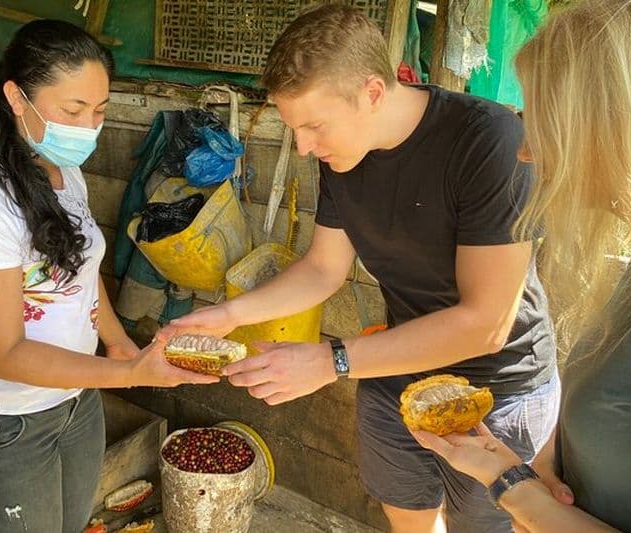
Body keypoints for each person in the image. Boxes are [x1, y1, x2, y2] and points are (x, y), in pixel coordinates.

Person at [166, 5, 560, 532]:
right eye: (294, 128)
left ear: (373, 92)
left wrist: (333, 362)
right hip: (393, 368)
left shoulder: (486, 140)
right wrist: (229, 314)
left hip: (500, 387)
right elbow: (323, 269)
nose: (304, 145)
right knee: (408, 518)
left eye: (313, 126)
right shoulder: (341, 153)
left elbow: (485, 325)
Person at [0, 20, 216, 533]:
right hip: (0, 421)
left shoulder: (62, 170)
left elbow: (79, 274)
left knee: (73, 522)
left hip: (75, 399)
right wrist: (130, 374)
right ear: (17, 97)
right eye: (72, 110)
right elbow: (3, 353)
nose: (88, 128)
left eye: (100, 111)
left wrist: (121, 344)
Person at [411, 1, 631, 531]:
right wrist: (520, 470)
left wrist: (517, 495)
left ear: (603, 126)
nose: (524, 153)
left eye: (538, 118)